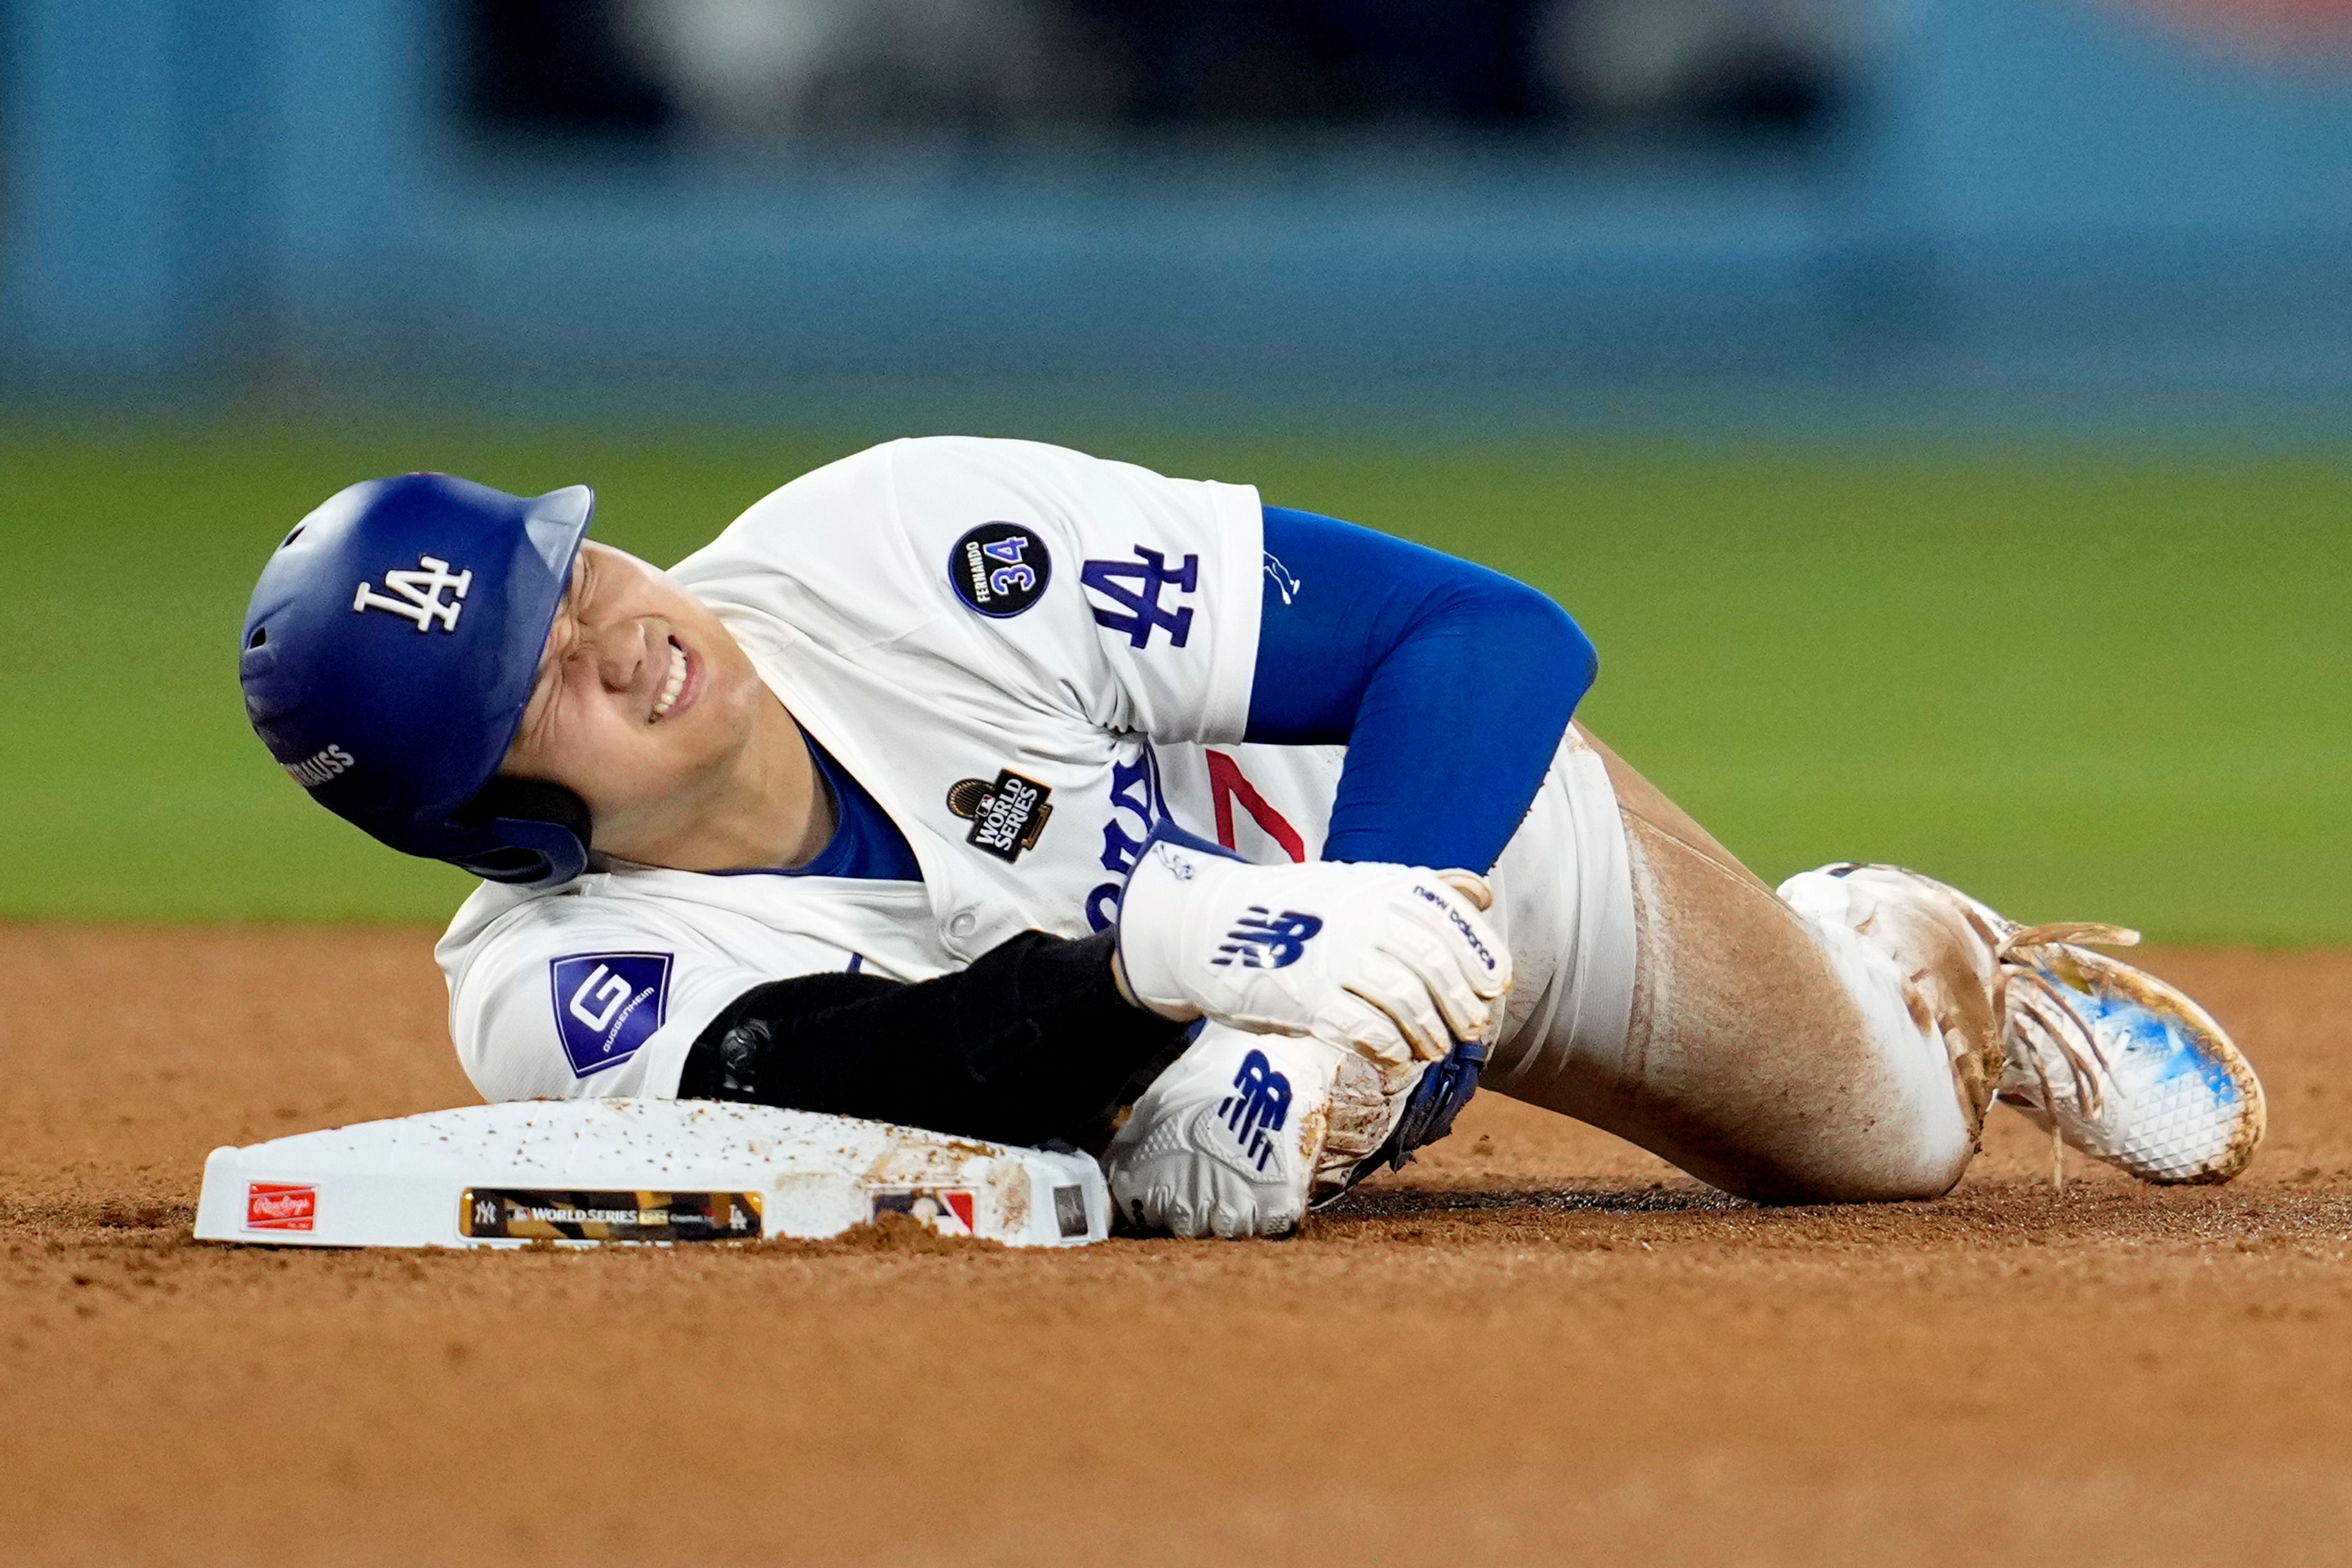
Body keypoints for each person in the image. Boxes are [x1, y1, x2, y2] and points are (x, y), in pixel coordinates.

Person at [237, 439, 2264, 1238]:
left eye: (573, 577)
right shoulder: (552, 996)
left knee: (1886, 1153)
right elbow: (896, 1076)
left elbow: (1484, 635)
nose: (631, 635)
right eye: (546, 679)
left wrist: (1345, 980)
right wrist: (1161, 985)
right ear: (501, 822)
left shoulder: (902, 545)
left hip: (1451, 853)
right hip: (1188, 1031)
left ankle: (1897, 951)